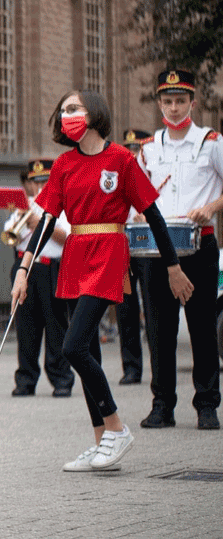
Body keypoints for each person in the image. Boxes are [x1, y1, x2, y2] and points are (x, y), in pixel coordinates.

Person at [12, 89, 193, 472]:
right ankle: (100, 444)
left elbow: (154, 216)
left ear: (94, 113)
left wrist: (172, 266)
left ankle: (116, 426)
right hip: (75, 252)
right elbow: (46, 220)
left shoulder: (122, 159)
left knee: (72, 347)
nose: (67, 116)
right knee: (87, 349)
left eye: (73, 109)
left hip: (109, 250)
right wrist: (24, 268)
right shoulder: (63, 165)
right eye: (63, 111)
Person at [135, 70, 222, 430]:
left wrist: (212, 208)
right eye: (167, 101)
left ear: (193, 103)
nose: (173, 108)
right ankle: (162, 405)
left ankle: (206, 405)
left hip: (198, 244)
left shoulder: (211, 142)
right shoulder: (149, 148)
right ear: (159, 103)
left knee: (201, 325)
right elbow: (136, 196)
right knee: (159, 329)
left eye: (180, 101)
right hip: (158, 247)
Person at [6, 159, 73, 398]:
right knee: (26, 327)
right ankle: (26, 379)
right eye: (35, 182)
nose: (40, 186)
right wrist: (24, 219)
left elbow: (67, 238)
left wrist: (42, 224)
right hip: (24, 270)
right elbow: (11, 236)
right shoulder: (23, 207)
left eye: (44, 181)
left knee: (56, 326)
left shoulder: (61, 205)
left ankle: (61, 379)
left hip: (50, 268)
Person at [116, 128, 151, 384]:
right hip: (123, 245)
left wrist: (147, 217)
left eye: (135, 149)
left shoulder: (150, 174)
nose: (131, 153)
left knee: (152, 306)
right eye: (127, 148)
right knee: (126, 308)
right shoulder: (115, 177)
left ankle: (159, 364)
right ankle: (131, 367)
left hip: (147, 244)